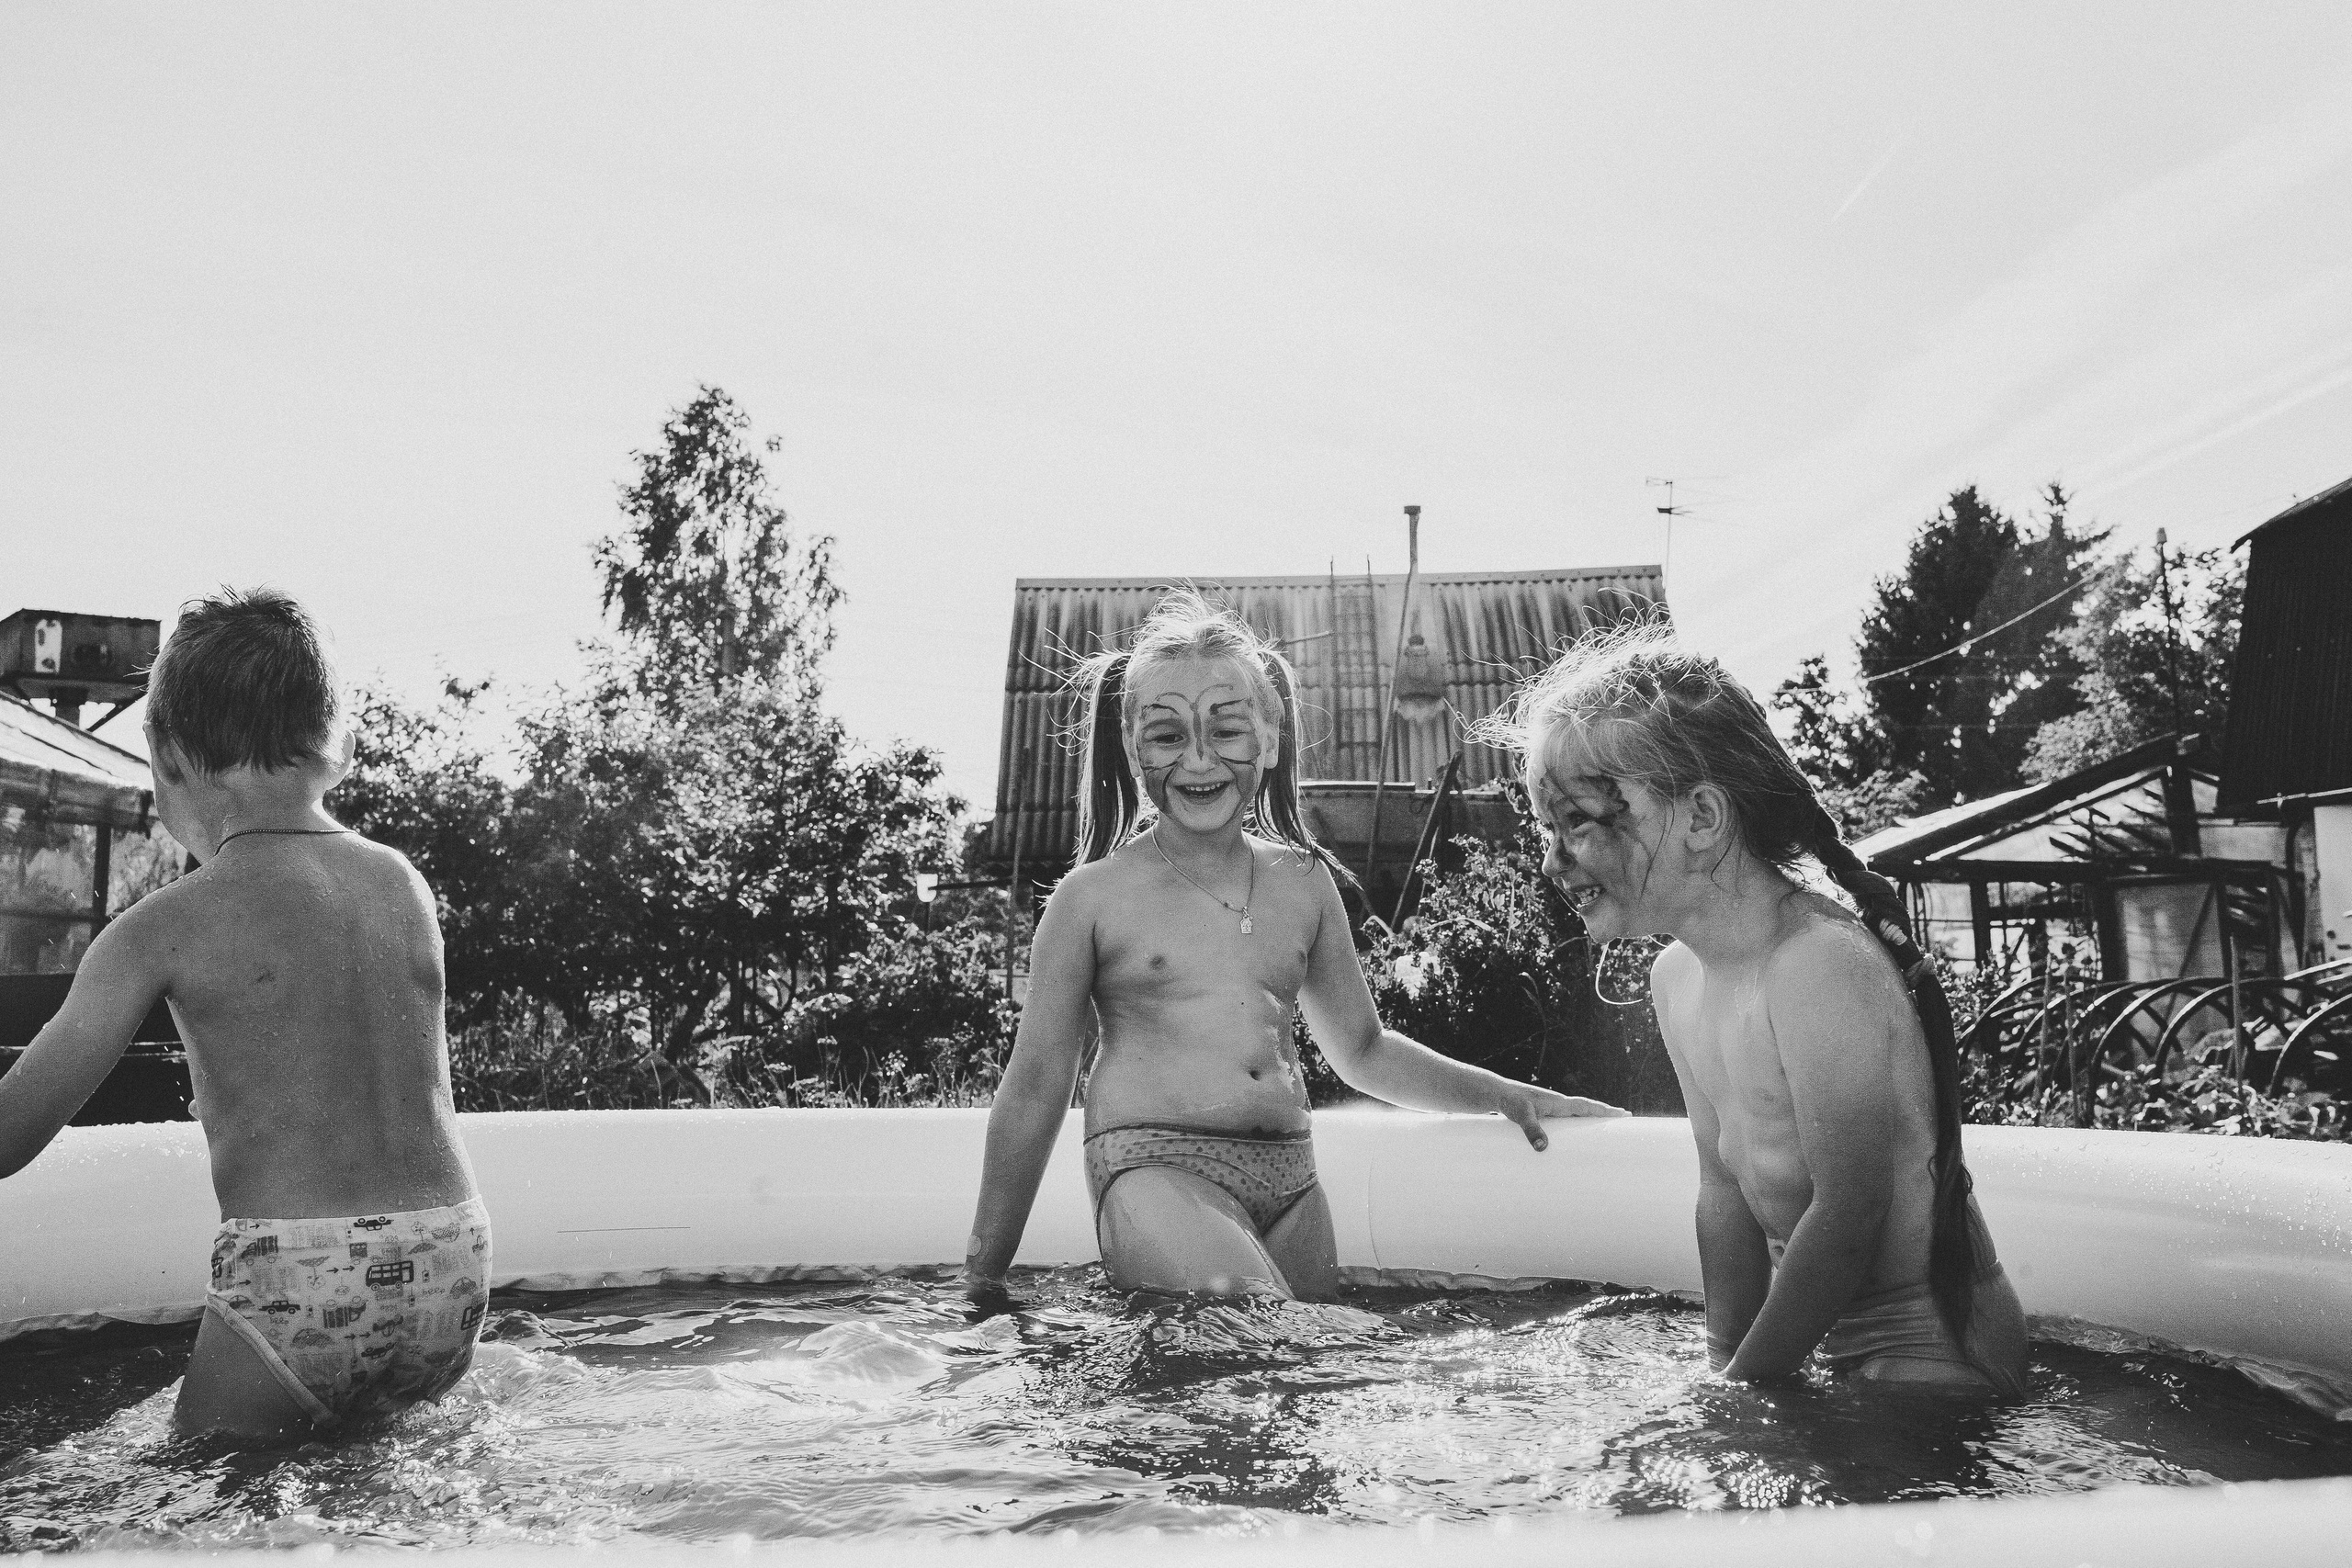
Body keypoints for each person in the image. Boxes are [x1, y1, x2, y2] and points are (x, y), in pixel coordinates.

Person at [964, 591, 1623, 1302]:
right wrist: (983, 1273)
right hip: (1155, 1165)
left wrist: (1503, 1094)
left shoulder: (1302, 883)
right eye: (1166, 735)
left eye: (1226, 729)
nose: (1198, 758)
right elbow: (1035, 1084)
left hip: (1290, 1181)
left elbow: (1364, 1050)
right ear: (1131, 748)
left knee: (1309, 1370)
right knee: (1257, 1326)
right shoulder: (1091, 899)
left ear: (1271, 737)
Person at [0, 588, 488, 1442]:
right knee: (367, 1466)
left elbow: (8, 1137)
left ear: (172, 758)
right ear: (331, 740)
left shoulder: (163, 926)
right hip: (452, 1260)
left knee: (185, 1490)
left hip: (300, 1275)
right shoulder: (402, 884)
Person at [1502, 625, 2028, 1395]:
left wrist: (1744, 1393)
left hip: (1933, 1347)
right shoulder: (1679, 979)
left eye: (1578, 821)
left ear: (1703, 818)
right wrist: (1722, 1368)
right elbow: (1723, 1194)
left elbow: (1851, 1214)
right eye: (1548, 829)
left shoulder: (1817, 962)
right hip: (1829, 1342)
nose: (1553, 858)